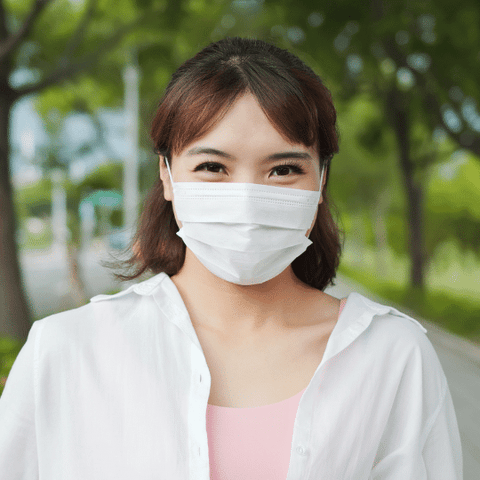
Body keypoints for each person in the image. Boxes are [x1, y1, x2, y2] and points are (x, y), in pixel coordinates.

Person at [0, 37, 462, 479]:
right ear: (166, 174)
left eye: (283, 170)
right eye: (212, 167)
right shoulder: (65, 353)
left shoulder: (392, 355)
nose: (246, 199)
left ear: (321, 181)